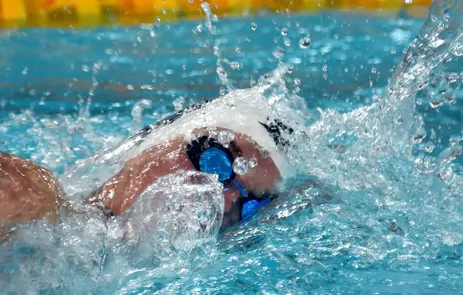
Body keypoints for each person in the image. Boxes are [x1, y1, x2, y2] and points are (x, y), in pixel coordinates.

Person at [0, 89, 295, 242]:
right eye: (217, 159)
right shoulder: (28, 195)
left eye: (247, 205)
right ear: (153, 144)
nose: (222, 196)